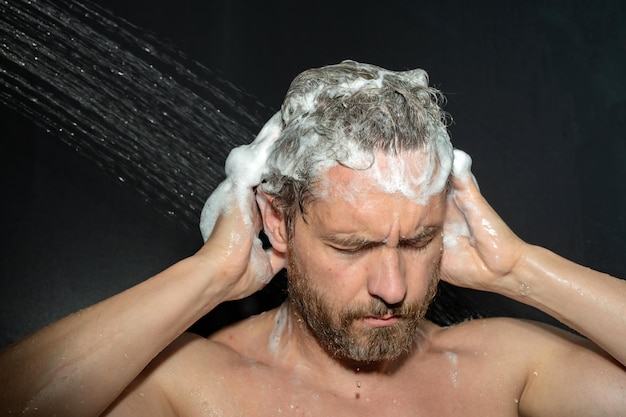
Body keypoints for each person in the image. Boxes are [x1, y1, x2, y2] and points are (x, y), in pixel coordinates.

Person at [1, 60, 624, 416]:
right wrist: (209, 275)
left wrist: (519, 270)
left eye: (418, 241)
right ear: (277, 221)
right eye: (351, 247)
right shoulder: (194, 388)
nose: (393, 287)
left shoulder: (506, 369)